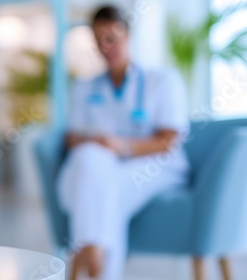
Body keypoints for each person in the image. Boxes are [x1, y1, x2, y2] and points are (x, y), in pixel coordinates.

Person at [58, 5, 190, 280]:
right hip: (101, 164)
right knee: (90, 160)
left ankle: (92, 263)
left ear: (128, 36)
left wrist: (121, 145)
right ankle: (100, 266)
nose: (108, 46)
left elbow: (169, 141)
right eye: (100, 40)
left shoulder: (162, 81)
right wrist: (100, 143)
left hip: (154, 165)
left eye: (113, 37)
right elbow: (71, 138)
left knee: (99, 189)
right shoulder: (85, 87)